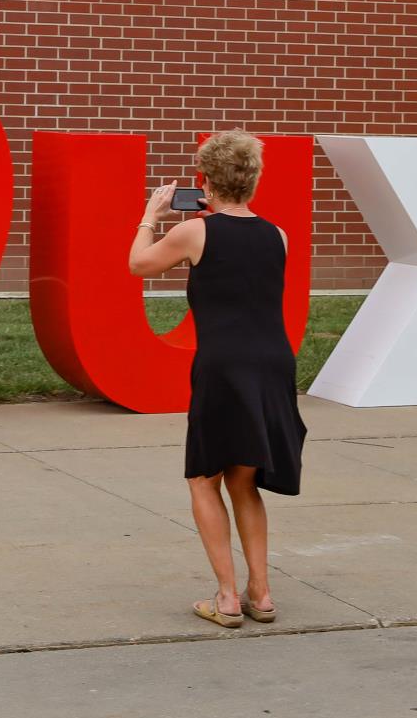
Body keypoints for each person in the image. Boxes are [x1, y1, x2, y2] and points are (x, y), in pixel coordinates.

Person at [128, 130, 305, 628]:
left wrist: (151, 216)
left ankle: (227, 597)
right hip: (274, 362)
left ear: (204, 180)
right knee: (244, 480)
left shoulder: (196, 232)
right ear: (253, 180)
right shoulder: (278, 234)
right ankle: (262, 594)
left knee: (204, 476)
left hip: (224, 365)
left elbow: (138, 263)